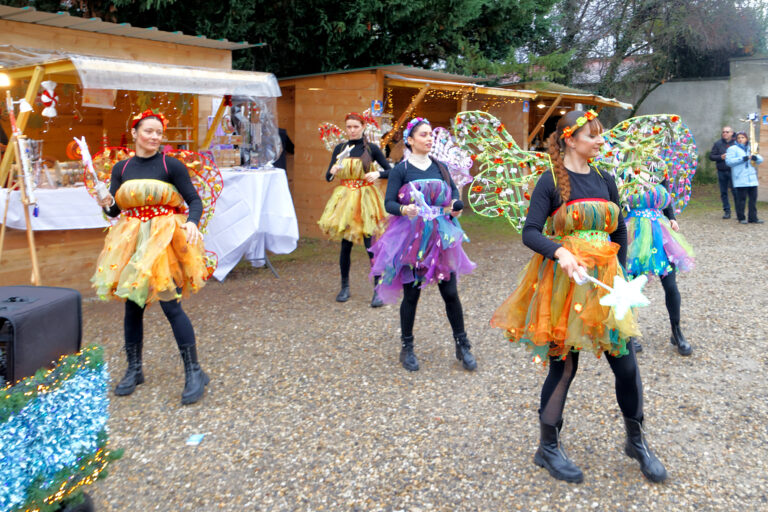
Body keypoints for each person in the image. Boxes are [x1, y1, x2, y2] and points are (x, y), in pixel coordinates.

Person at [490, 111, 667, 483]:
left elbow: (618, 232)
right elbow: (530, 232)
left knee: (627, 362)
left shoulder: (606, 178)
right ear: (570, 140)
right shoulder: (550, 180)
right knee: (564, 366)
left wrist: (619, 275)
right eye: (593, 136)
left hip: (606, 286)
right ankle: (547, 448)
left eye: (600, 136)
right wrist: (560, 252)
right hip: (564, 287)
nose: (601, 141)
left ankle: (636, 441)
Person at [92, 109, 210, 406]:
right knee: (133, 307)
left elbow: (194, 200)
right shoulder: (122, 168)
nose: (155, 137)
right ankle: (134, 369)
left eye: (159, 132)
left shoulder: (172, 166)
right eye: (148, 131)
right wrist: (107, 203)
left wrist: (192, 222)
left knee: (172, 307)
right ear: (135, 133)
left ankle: (194, 371)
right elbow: (116, 211)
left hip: (164, 241)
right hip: (132, 240)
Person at [369, 118, 477, 372]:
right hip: (412, 239)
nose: (430, 139)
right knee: (412, 294)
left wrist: (454, 210)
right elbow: (389, 204)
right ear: (410, 140)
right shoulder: (401, 170)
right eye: (424, 135)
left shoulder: (441, 167)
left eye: (431, 135)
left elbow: (453, 198)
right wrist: (404, 208)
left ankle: (462, 345)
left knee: (450, 292)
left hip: (440, 237)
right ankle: (406, 347)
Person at [318, 112, 392, 307]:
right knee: (345, 245)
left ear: (363, 127)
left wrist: (378, 173)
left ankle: (378, 289)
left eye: (355, 127)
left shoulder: (372, 149)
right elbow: (327, 177)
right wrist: (332, 172)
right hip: (345, 200)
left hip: (366, 199)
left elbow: (391, 171)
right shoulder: (340, 148)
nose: (352, 130)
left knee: (371, 245)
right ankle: (344, 287)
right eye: (349, 127)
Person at [625, 182, 695, 355]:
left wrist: (671, 217)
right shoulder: (624, 168)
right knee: (633, 285)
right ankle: (629, 331)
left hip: (659, 232)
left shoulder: (657, 167)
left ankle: (676, 331)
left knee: (671, 285)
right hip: (634, 233)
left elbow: (667, 196)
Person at [726, 131, 764, 224]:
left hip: (751, 178)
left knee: (753, 200)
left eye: (742, 137)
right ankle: (741, 217)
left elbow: (760, 159)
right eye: (739, 138)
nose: (740, 139)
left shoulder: (750, 148)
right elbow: (729, 162)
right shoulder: (732, 149)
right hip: (741, 178)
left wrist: (756, 158)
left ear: (746, 139)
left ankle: (753, 217)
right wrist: (743, 159)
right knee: (741, 200)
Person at [709, 126, 736, 219]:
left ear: (732, 133)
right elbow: (711, 156)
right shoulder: (717, 144)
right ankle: (727, 211)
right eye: (723, 132)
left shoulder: (736, 143)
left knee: (735, 191)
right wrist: (721, 157)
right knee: (723, 192)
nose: (725, 133)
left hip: (733, 171)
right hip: (722, 171)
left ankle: (739, 211)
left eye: (727, 132)